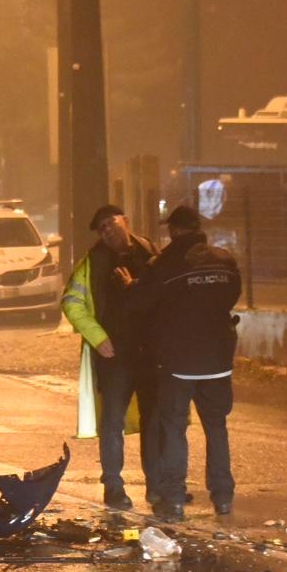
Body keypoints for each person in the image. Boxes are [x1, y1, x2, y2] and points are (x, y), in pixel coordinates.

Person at [121, 204, 242, 522]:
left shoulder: (163, 264)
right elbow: (231, 296)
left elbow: (140, 303)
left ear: (174, 231)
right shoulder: (225, 260)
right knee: (217, 427)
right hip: (218, 358)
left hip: (178, 361)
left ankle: (173, 499)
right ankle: (223, 497)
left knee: (174, 428)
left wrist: (130, 286)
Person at [62, 203, 160, 511]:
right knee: (112, 422)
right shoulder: (92, 262)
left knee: (154, 420)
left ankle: (158, 487)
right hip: (114, 354)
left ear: (125, 221)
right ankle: (114, 488)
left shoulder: (148, 251)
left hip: (149, 351)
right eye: (101, 228)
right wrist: (98, 338)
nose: (107, 231)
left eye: (110, 223)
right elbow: (72, 302)